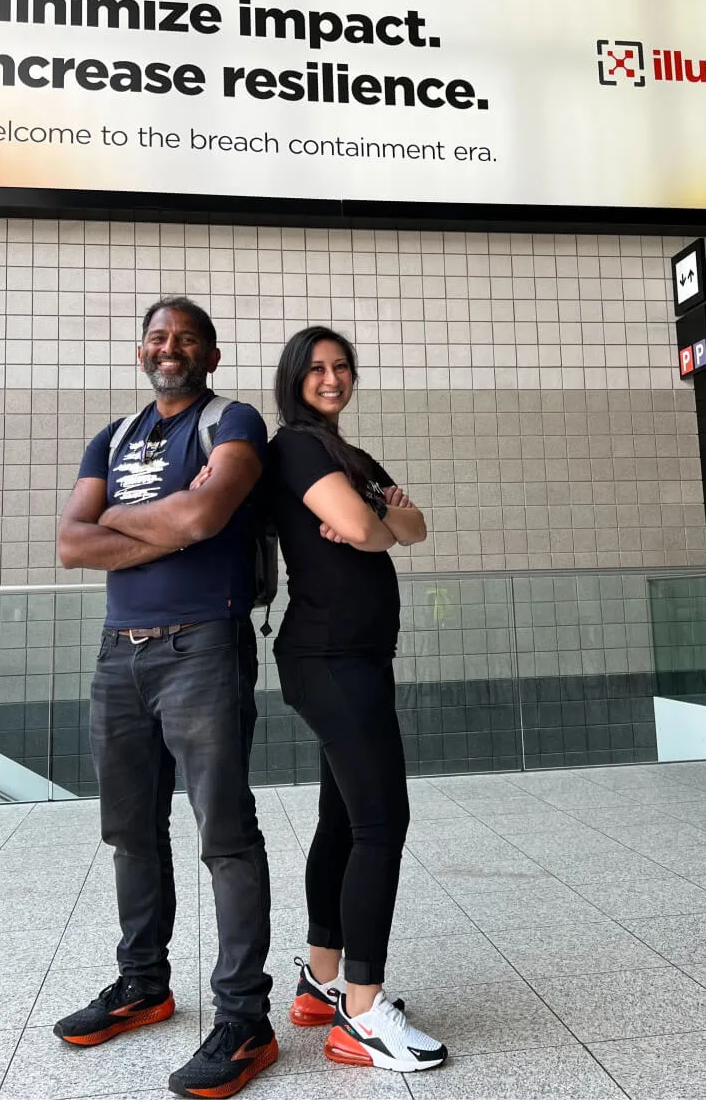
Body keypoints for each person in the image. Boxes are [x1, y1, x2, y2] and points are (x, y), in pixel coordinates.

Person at [53, 297, 278, 1100]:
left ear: (209, 354)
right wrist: (168, 523)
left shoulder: (233, 421)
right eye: (157, 336)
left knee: (223, 832)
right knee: (129, 830)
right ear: (141, 350)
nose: (168, 346)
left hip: (202, 647)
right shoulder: (110, 436)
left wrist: (122, 518)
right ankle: (143, 984)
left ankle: (245, 1019)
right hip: (120, 654)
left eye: (184, 337)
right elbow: (69, 542)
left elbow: (209, 511)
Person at [267, 325, 448, 1073]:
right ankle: (363, 1012)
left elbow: (416, 524)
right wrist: (373, 522)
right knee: (382, 820)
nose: (332, 377)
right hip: (329, 656)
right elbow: (364, 524)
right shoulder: (297, 446)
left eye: (341, 366)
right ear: (293, 378)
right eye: (316, 368)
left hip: (359, 658)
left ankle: (319, 981)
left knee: (342, 817)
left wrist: (378, 523)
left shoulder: (351, 455)